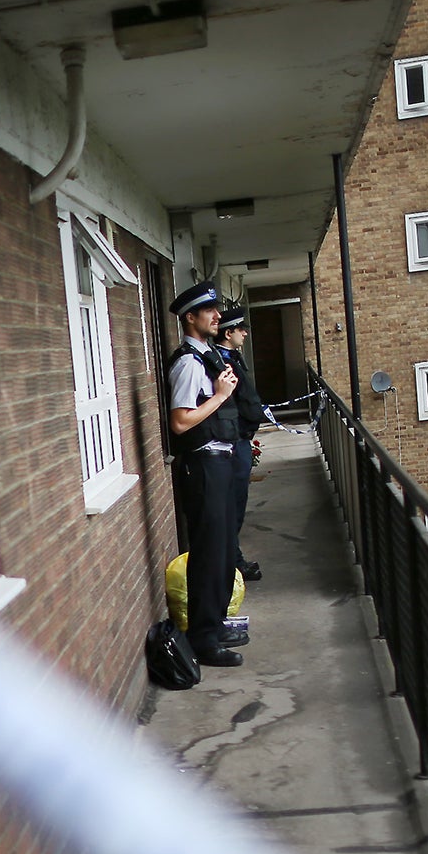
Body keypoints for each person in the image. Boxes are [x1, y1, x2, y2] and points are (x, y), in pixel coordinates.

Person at [166, 279, 242, 666]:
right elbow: (180, 423)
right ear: (190, 317)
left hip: (221, 461)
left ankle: (215, 624)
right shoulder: (188, 362)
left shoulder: (209, 355)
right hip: (204, 465)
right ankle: (203, 639)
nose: (218, 316)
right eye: (209, 311)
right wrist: (220, 397)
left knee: (225, 548)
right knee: (210, 552)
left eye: (217, 310)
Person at [217, 305, 265, 583]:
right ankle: (232, 565)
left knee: (237, 505)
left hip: (240, 440)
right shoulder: (223, 362)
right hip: (234, 442)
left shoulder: (232, 357)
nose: (245, 333)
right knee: (232, 507)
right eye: (240, 329)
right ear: (228, 332)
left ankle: (233, 561)